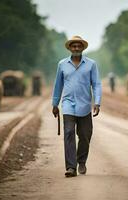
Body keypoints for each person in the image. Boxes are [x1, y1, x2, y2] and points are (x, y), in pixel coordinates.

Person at [51, 35, 102, 177]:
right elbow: (58, 85)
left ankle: (81, 161)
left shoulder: (91, 64)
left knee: (85, 135)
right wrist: (55, 104)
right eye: (74, 46)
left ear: (83, 48)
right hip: (68, 105)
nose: (76, 48)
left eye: (79, 46)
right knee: (68, 133)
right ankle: (71, 167)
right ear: (70, 48)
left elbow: (96, 84)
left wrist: (97, 102)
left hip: (85, 105)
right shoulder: (62, 64)